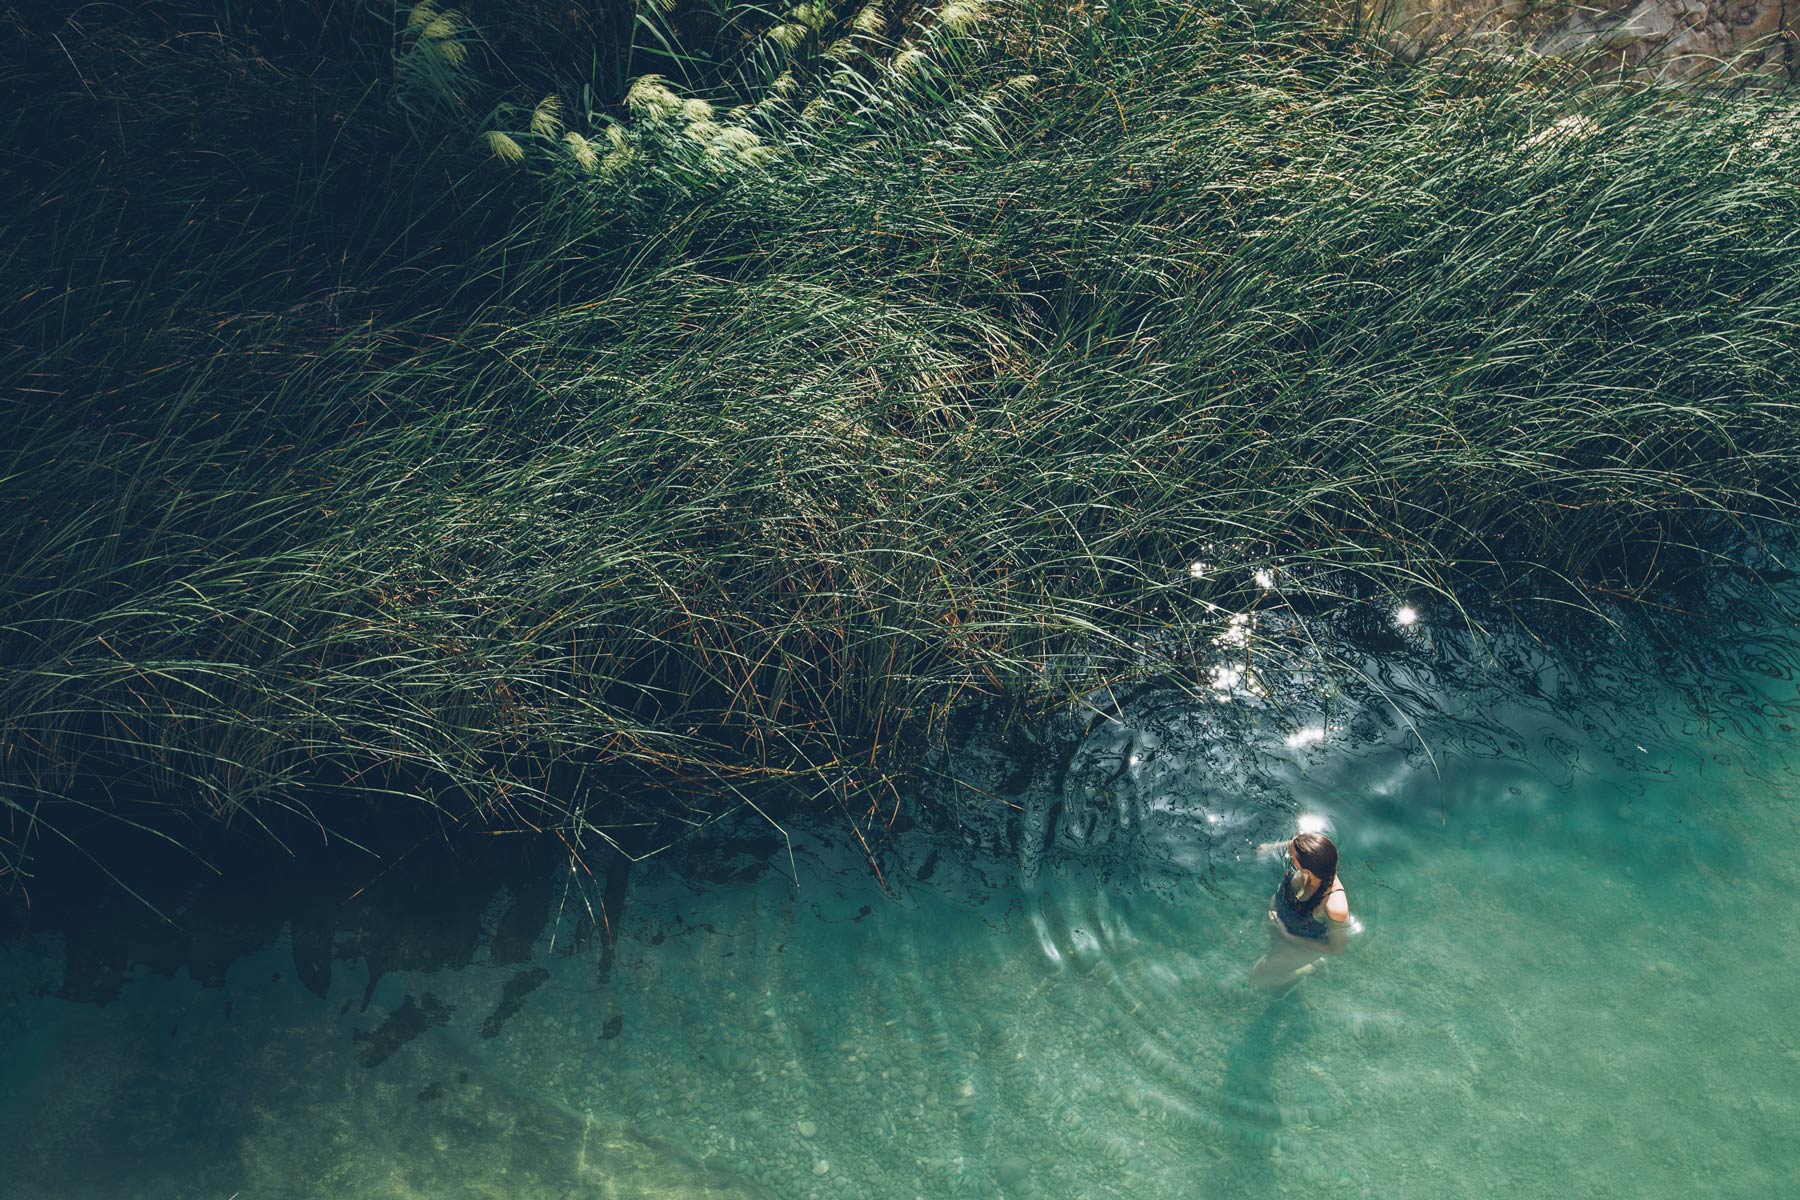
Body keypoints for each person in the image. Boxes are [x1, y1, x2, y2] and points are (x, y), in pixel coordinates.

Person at [1249, 832, 1351, 988]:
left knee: (1258, 978)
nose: (1289, 856)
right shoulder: (1319, 857)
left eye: (1292, 857)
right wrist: (1271, 847)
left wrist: (1288, 936)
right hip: (1284, 923)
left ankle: (1310, 968)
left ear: (1307, 870)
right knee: (1272, 963)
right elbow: (1298, 843)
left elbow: (1336, 948)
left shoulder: (1334, 905)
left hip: (1301, 943)